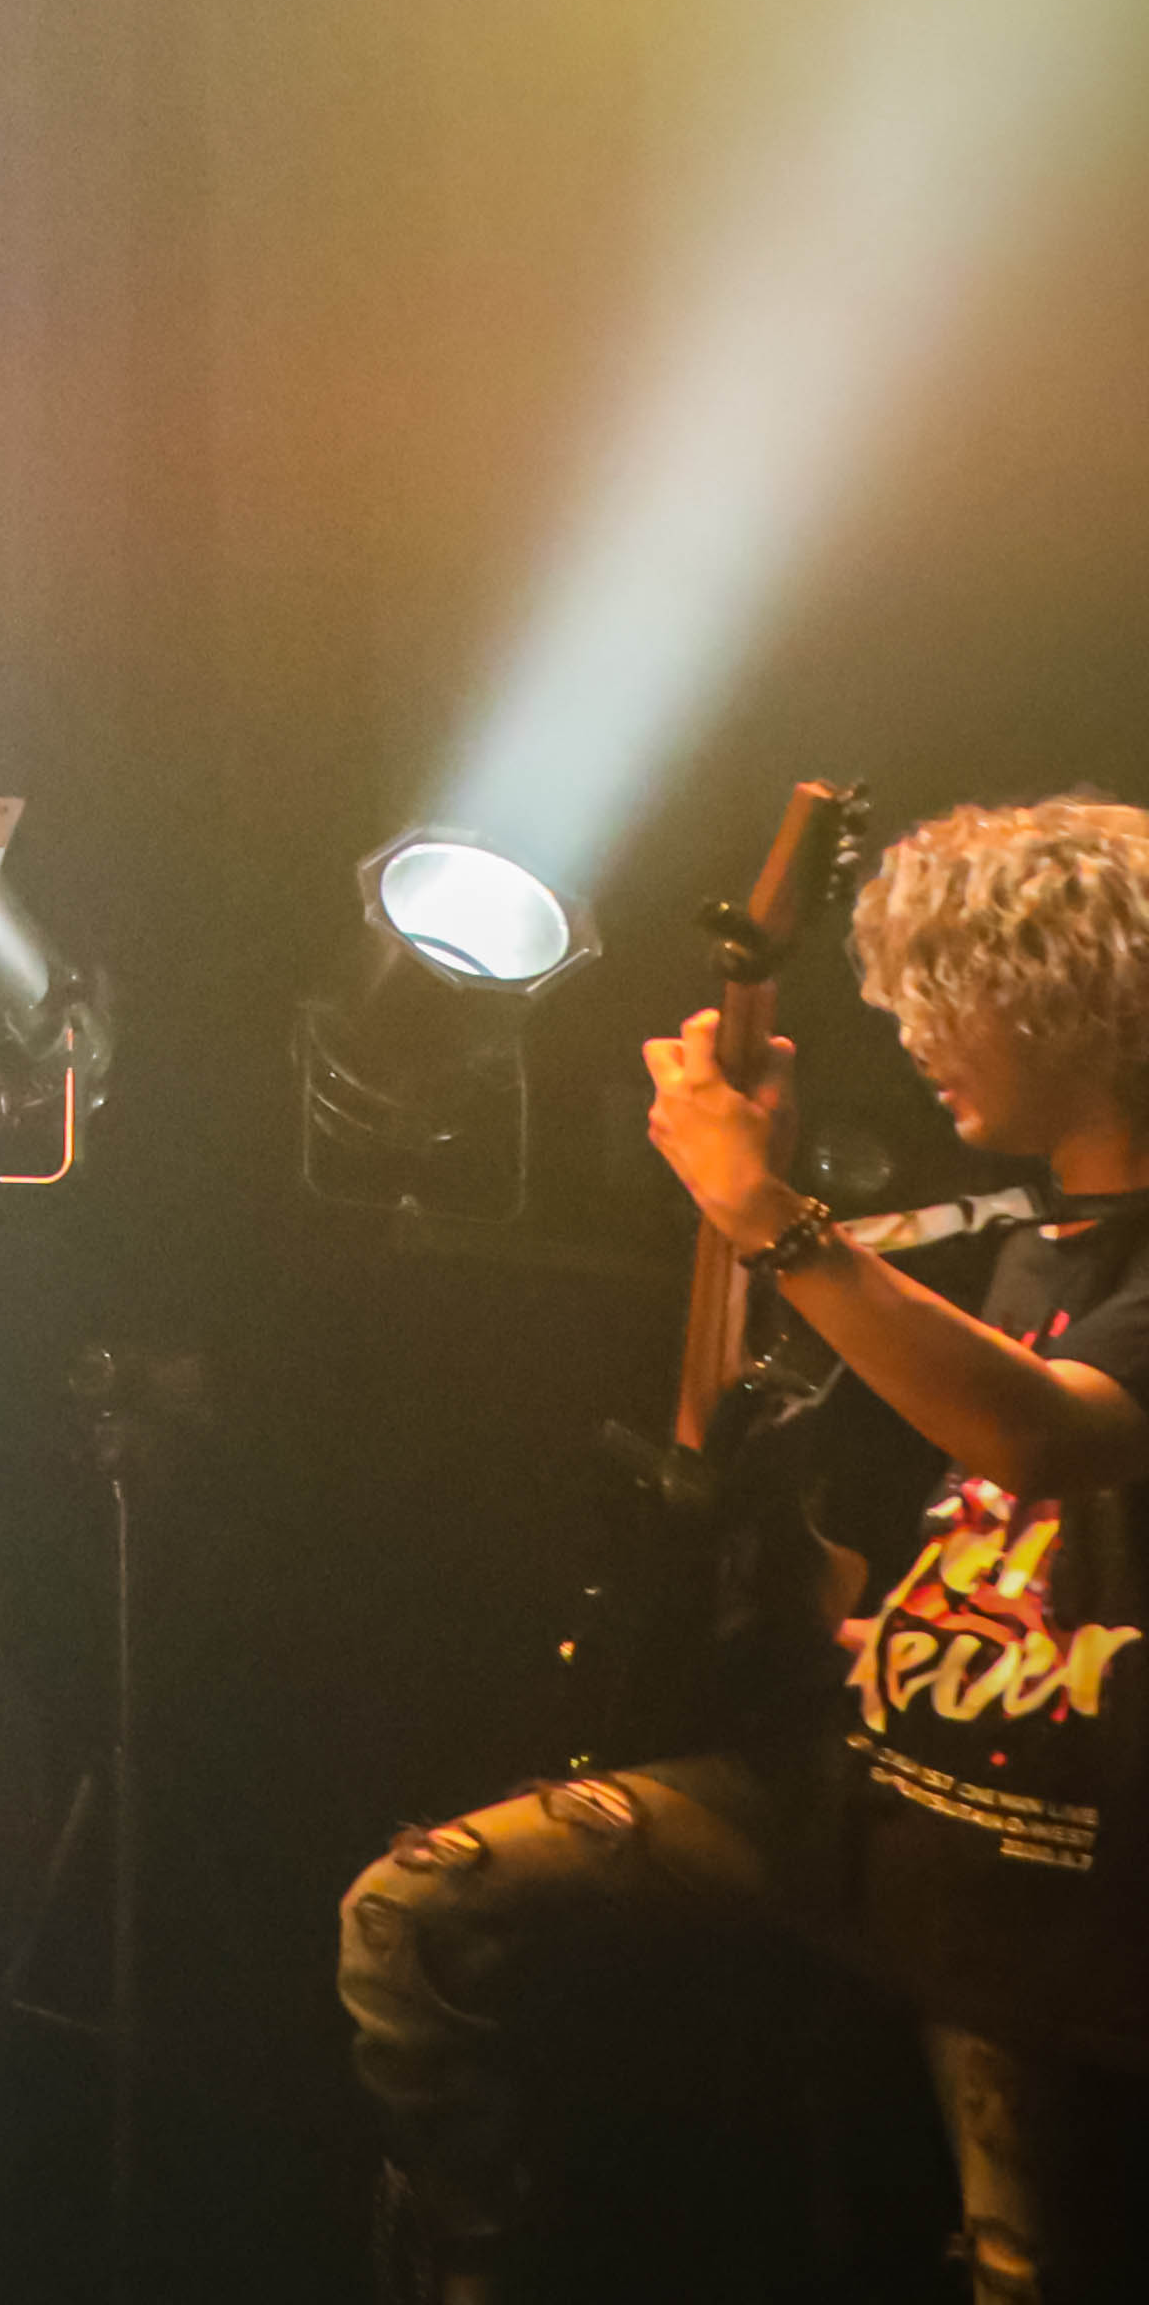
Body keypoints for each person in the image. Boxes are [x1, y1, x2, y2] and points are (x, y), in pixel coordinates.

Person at [342, 793, 1149, 2305]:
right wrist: (893, 1622)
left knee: (1031, 2270)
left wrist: (760, 1202)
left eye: (947, 997)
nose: (912, 1033)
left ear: (1070, 998)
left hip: (1050, 1884)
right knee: (415, 1913)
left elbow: (1045, 1438)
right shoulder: (1019, 1226)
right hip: (868, 1806)